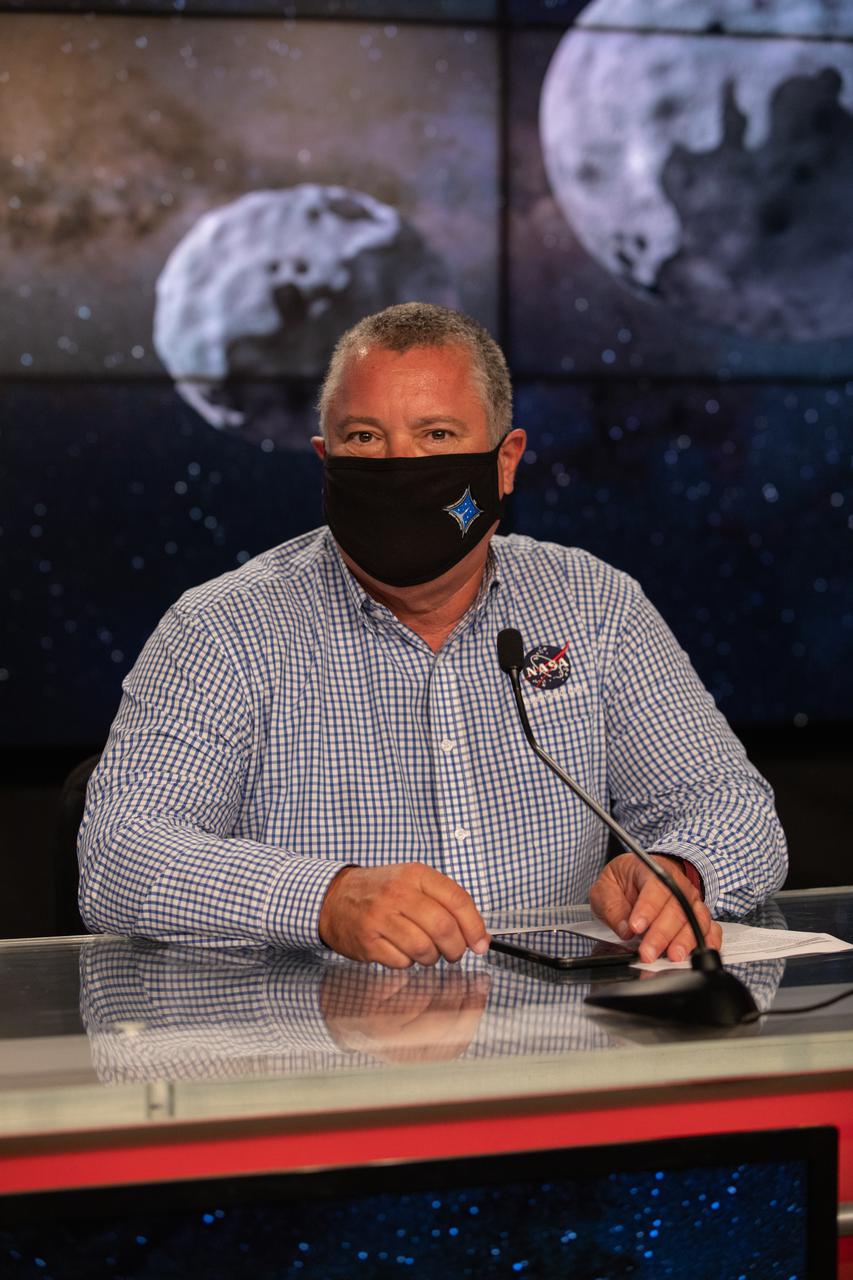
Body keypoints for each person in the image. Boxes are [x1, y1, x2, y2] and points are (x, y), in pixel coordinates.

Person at [78, 303, 787, 968]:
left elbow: (728, 803)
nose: (399, 468)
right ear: (326, 462)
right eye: (364, 438)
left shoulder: (592, 605)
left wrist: (680, 871)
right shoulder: (222, 630)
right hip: (319, 1061)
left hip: (556, 1058)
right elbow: (120, 855)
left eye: (437, 436)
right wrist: (324, 898)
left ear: (504, 463)